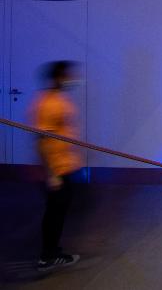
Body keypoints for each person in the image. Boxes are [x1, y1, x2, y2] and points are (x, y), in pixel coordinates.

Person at [28, 61, 83, 271]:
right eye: (68, 76)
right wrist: (51, 174)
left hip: (66, 165)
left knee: (60, 211)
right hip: (56, 169)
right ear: (57, 78)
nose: (72, 79)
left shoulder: (60, 99)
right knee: (54, 213)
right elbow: (41, 141)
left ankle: (53, 251)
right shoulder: (47, 104)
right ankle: (47, 256)